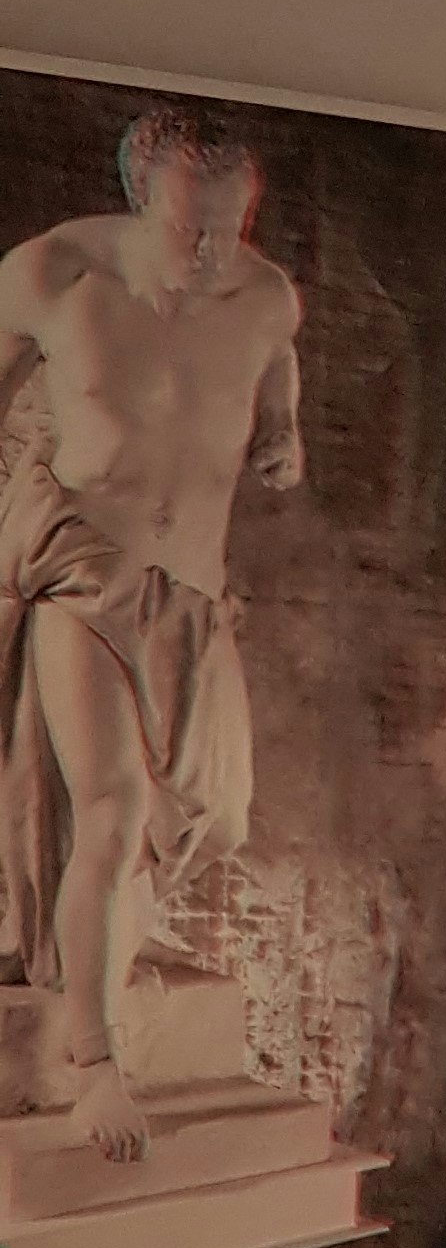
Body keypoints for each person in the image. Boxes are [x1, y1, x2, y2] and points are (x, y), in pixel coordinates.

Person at [0, 105, 304, 1161]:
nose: (213, 250)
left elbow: (277, 363)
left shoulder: (265, 296)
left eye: (230, 225)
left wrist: (282, 430)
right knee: (115, 805)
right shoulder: (54, 275)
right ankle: (94, 1062)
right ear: (142, 203)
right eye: (189, 227)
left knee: (217, 820)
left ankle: (95, 946)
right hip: (84, 569)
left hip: (195, 595)